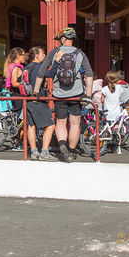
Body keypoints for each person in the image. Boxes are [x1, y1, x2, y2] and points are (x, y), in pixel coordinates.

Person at [32, 26, 93, 162]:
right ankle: (71, 150)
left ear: (63, 39)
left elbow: (41, 72)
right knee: (75, 123)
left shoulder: (55, 52)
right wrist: (87, 94)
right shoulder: (80, 54)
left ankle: (62, 145)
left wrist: (36, 91)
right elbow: (89, 74)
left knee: (61, 122)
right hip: (76, 94)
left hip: (59, 94)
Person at [23, 46, 55, 161]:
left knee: (31, 126)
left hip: (27, 100)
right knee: (51, 125)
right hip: (37, 100)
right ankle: (45, 152)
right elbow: (49, 74)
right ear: (36, 55)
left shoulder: (26, 68)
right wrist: (55, 64)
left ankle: (34, 152)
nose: (44, 55)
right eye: (42, 53)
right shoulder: (38, 67)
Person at [2, 47, 27, 150]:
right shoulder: (16, 67)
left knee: (18, 120)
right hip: (18, 96)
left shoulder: (15, 66)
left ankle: (18, 142)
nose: (24, 57)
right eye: (23, 55)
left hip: (17, 96)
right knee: (21, 120)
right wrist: (25, 85)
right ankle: (17, 143)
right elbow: (13, 82)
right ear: (17, 56)